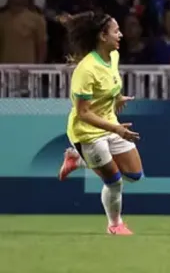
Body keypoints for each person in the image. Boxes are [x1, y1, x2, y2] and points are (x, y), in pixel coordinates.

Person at [55, 12, 143, 235]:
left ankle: (77, 159)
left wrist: (117, 97)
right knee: (114, 182)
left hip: (110, 123)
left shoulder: (112, 57)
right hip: (88, 133)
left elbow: (109, 84)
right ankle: (115, 225)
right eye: (116, 31)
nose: (120, 35)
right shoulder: (85, 70)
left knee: (135, 175)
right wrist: (116, 129)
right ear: (103, 36)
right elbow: (83, 113)